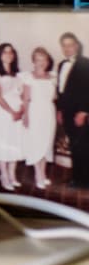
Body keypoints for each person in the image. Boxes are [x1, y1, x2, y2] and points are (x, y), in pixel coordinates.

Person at [0, 43, 24, 191]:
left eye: (11, 52)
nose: (8, 55)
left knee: (15, 141)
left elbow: (22, 94)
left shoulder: (18, 74)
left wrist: (20, 111)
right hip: (2, 111)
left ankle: (12, 175)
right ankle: (4, 175)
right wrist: (12, 112)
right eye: (4, 52)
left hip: (17, 109)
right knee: (3, 141)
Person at [20, 46, 57, 190]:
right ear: (33, 61)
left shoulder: (52, 77)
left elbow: (54, 97)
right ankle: (38, 174)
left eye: (44, 59)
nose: (41, 63)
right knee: (36, 143)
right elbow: (25, 98)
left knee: (47, 143)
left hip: (49, 112)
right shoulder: (28, 77)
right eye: (38, 60)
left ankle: (43, 172)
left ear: (47, 61)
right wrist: (26, 115)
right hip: (35, 111)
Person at [56, 31, 89, 187]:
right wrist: (60, 110)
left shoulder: (85, 63)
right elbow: (61, 91)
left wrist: (84, 111)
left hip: (79, 113)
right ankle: (77, 177)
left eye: (70, 45)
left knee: (83, 147)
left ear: (76, 46)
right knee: (74, 147)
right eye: (64, 45)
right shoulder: (61, 65)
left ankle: (84, 181)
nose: (67, 48)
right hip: (67, 112)